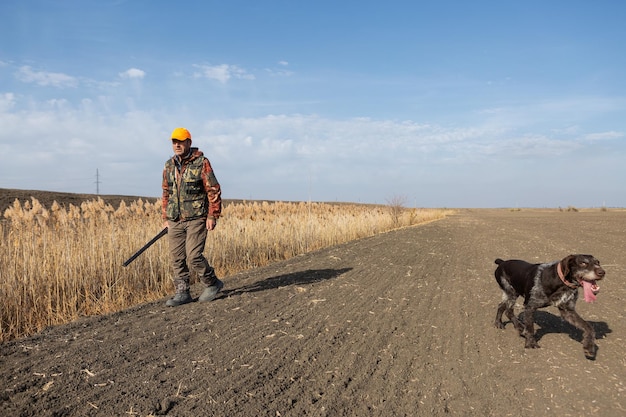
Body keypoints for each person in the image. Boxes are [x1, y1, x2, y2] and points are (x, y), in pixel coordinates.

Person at [161, 127, 223, 307]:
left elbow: (213, 189)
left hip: (197, 218)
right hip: (175, 219)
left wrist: (213, 215)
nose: (177, 145)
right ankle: (182, 292)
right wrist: (166, 217)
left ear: (189, 142)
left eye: (180, 141)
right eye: (174, 142)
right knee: (176, 258)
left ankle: (212, 283)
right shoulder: (169, 165)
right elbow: (166, 192)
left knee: (194, 255)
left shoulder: (201, 162)